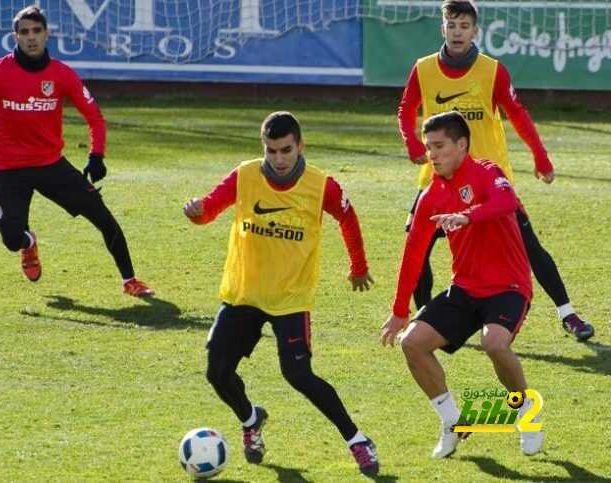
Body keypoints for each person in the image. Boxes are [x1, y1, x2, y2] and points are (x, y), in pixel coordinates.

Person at [183, 111, 379, 476]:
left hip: (291, 298)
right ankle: (250, 419)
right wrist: (195, 212)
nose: (278, 158)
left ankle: (357, 440)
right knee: (217, 372)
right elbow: (209, 210)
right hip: (244, 295)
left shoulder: (323, 186)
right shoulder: (244, 175)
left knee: (298, 375)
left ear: (300, 145)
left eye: (285, 150)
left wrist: (359, 266)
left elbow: (347, 218)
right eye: (271, 151)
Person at [397, 0, 593, 340]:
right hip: (438, 181)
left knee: (528, 246)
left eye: (464, 26)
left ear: (476, 31)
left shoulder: (492, 71)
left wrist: (541, 157)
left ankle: (568, 313)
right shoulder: (423, 69)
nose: (457, 32)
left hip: (488, 181)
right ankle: (425, 317)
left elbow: (518, 114)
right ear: (442, 29)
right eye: (451, 25)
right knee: (418, 248)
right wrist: (414, 144)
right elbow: (405, 109)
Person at [381, 111, 544, 458]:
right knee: (412, 342)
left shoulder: (487, 172)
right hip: (466, 288)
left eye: (439, 146)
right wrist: (398, 312)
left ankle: (525, 411)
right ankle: (452, 422)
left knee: (495, 345)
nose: (432, 155)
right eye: (429, 147)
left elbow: (506, 203)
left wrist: (467, 215)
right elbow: (413, 256)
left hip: (509, 286)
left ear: (462, 145)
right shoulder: (431, 196)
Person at [0, 6, 153, 297]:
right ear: (15, 37)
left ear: (47, 34)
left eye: (36, 31)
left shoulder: (61, 74)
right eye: (24, 32)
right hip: (8, 168)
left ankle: (130, 280)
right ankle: (28, 243)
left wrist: (96, 156)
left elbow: (95, 117)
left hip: (50, 165)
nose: (31, 38)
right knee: (11, 239)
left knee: (104, 218)